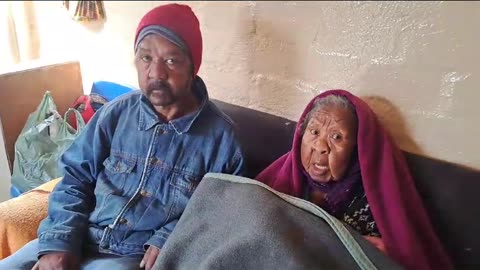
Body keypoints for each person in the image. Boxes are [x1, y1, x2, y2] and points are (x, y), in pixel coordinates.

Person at [0, 3, 246, 270]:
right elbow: (75, 178)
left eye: (171, 60)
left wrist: (168, 238)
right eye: (146, 58)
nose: (156, 73)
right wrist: (60, 243)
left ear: (193, 66)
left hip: (130, 257)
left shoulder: (223, 142)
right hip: (80, 235)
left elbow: (218, 215)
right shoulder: (116, 113)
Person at [255, 89, 454, 270]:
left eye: (337, 137)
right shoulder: (280, 176)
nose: (320, 146)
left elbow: (407, 255)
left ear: (357, 147)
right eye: (314, 132)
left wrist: (384, 252)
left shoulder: (378, 197)